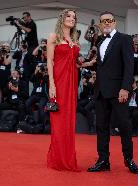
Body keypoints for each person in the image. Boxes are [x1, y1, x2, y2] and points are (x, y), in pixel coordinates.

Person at [87, 11, 138, 174]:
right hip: (101, 92)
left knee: (124, 126)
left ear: (115, 22)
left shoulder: (124, 38)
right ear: (100, 24)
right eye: (103, 21)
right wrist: (85, 64)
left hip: (119, 92)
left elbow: (129, 65)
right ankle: (103, 160)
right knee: (101, 127)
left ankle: (129, 159)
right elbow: (103, 66)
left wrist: (125, 88)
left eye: (110, 20)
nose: (107, 23)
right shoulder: (100, 40)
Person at [47, 9, 80, 171]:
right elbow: (50, 62)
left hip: (72, 83)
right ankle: (58, 160)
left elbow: (74, 62)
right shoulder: (54, 37)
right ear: (62, 18)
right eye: (69, 16)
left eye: (74, 17)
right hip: (59, 82)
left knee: (69, 121)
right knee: (59, 121)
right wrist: (51, 84)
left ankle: (68, 158)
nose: (72, 19)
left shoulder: (74, 38)